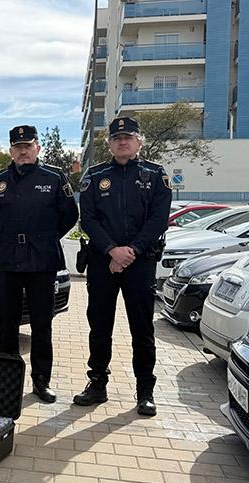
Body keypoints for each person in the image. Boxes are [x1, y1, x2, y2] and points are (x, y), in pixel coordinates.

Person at [74, 117, 171, 416]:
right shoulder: (96, 175)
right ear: (110, 143)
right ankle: (97, 383)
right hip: (103, 262)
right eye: (117, 138)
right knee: (99, 326)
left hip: (140, 263)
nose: (122, 141)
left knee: (142, 329)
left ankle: (145, 391)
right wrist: (112, 251)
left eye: (128, 137)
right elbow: (88, 218)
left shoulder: (156, 175)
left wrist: (131, 251)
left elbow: (158, 219)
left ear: (139, 141)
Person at [0, 125, 79, 403]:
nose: (23, 151)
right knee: (7, 323)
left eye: (28, 146)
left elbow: (69, 215)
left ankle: (41, 380)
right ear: (11, 150)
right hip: (8, 260)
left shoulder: (54, 177)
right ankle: (7, 380)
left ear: (37, 148)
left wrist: (44, 237)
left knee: (41, 324)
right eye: (17, 147)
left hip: (41, 260)